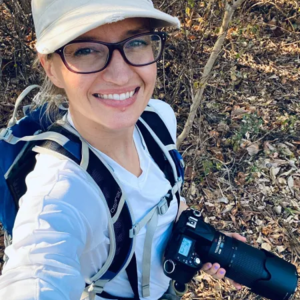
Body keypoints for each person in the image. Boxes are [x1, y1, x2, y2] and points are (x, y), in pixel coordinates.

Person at [0, 1, 246, 299]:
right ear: (50, 67)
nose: (120, 75)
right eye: (85, 49)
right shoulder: (59, 193)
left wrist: (205, 241)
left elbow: (165, 197)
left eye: (137, 41)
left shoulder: (157, 119)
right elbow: (35, 274)